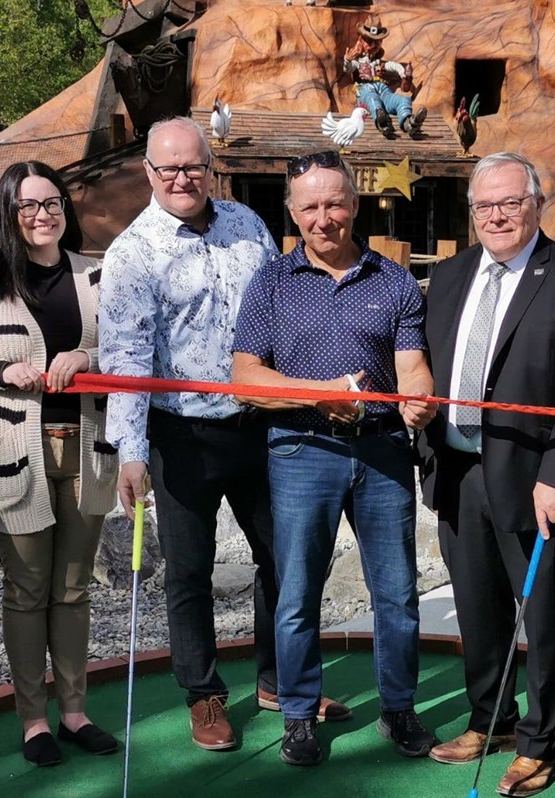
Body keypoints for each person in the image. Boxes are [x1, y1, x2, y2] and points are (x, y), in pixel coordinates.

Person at [101, 118, 350, 753]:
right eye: (168, 169)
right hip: (180, 433)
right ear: (149, 173)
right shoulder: (131, 253)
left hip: (259, 425)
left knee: (285, 559)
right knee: (189, 571)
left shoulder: (248, 225)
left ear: (211, 166)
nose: (182, 179)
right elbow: (125, 360)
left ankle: (279, 680)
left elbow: (283, 317)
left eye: (193, 167)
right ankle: (204, 693)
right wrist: (130, 452)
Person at [419, 152, 555, 798]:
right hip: (457, 468)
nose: (497, 215)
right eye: (485, 205)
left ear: (536, 202)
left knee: (545, 612)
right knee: (476, 607)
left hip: (538, 480)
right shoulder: (448, 277)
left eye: (510, 202)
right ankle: (492, 720)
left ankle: (540, 741)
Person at [230, 149, 438, 767]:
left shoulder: (394, 280)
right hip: (300, 450)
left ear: (355, 204)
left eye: (335, 203)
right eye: (311, 207)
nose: (325, 218)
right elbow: (244, 378)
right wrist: (321, 397)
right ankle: (298, 713)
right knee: (298, 593)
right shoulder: (271, 282)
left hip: (381, 452)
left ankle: (398, 708)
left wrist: (418, 403)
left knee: (397, 593)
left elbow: (412, 370)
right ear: (293, 214)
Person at [0, 161, 119, 767]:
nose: (42, 216)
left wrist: (84, 354)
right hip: (14, 450)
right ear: (7, 213)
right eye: (28, 206)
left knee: (73, 588)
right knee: (26, 588)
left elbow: (121, 348)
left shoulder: (94, 273)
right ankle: (32, 721)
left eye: (52, 204)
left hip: (86, 446)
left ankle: (74, 711)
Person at [343, 16, 424, 137]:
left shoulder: (380, 63)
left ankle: (409, 123)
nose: (373, 45)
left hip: (383, 90)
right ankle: (383, 123)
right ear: (362, 41)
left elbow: (392, 65)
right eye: (369, 41)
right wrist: (347, 60)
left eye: (376, 42)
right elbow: (348, 68)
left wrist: (402, 72)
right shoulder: (358, 62)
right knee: (373, 100)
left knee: (402, 100)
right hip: (365, 90)